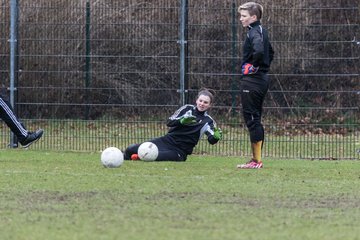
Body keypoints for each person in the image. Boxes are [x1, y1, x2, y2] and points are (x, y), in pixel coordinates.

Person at [124, 89, 222, 161]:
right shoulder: (186, 109)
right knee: (131, 149)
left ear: (210, 105)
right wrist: (181, 121)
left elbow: (211, 139)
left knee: (155, 156)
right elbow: (169, 122)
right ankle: (123, 157)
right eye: (200, 101)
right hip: (166, 141)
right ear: (196, 100)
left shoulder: (208, 121)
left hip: (179, 151)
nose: (202, 104)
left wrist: (216, 137)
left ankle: (138, 158)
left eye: (205, 102)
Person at [236, 2, 274, 169]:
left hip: (254, 80)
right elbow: (271, 52)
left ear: (253, 17)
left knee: (252, 119)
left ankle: (256, 161)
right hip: (260, 79)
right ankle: (255, 160)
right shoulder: (260, 31)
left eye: (244, 16)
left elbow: (259, 51)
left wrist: (254, 67)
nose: (240, 19)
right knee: (254, 118)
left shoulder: (254, 32)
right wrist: (263, 67)